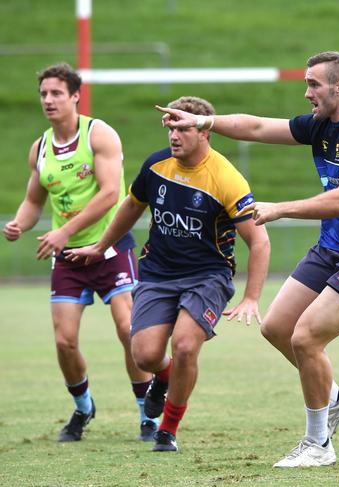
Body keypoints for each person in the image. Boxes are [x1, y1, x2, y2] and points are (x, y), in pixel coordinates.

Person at [157, 51, 339, 467]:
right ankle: (335, 398)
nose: (307, 93)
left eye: (314, 84)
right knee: (276, 328)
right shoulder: (321, 126)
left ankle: (318, 445)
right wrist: (202, 122)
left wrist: (280, 208)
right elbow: (255, 126)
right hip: (333, 247)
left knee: (306, 338)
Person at [66, 96, 270, 453]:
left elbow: (260, 241)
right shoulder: (156, 165)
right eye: (171, 127)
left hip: (208, 276)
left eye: (183, 127)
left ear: (204, 131)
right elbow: (131, 206)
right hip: (159, 273)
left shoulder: (225, 178)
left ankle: (167, 429)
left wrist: (251, 296)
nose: (174, 135)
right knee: (144, 356)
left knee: (186, 346)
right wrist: (100, 247)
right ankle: (163, 376)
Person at [3, 63, 157, 442]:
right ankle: (83, 407)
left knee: (128, 330)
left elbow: (109, 194)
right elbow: (33, 201)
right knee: (64, 341)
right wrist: (19, 224)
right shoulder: (40, 148)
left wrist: (64, 231)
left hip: (109, 248)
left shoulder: (98, 134)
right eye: (43, 94)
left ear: (75, 96)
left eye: (56, 93)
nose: (48, 100)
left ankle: (146, 415)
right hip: (68, 258)